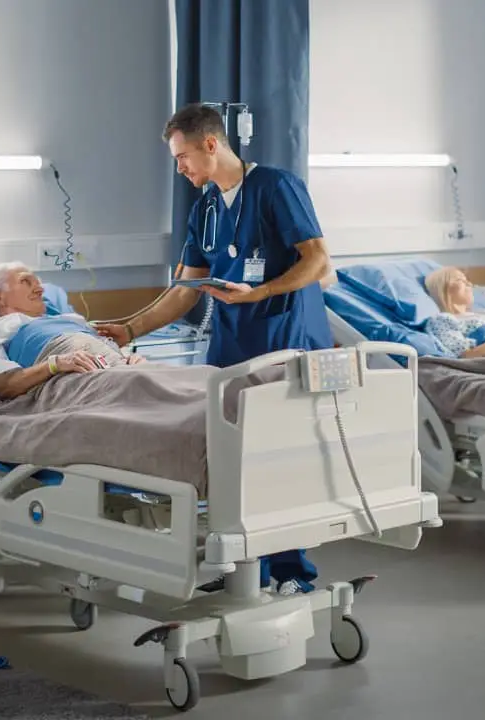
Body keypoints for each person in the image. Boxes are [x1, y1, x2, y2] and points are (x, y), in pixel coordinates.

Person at [92, 103, 332, 595]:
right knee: (231, 462)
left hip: (284, 338)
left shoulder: (277, 188)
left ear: (210, 143)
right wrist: (129, 328)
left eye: (182, 157)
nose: (179, 168)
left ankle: (291, 573)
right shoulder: (204, 209)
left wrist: (260, 293)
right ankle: (246, 570)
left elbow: (318, 261)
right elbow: (185, 291)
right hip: (231, 347)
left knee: (280, 461)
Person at [0, 261, 145, 399]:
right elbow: (5, 386)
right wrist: (54, 364)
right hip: (77, 377)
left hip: (119, 370)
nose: (40, 289)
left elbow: (107, 354)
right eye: (26, 281)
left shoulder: (70, 320)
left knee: (158, 382)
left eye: (38, 283)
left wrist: (129, 359)